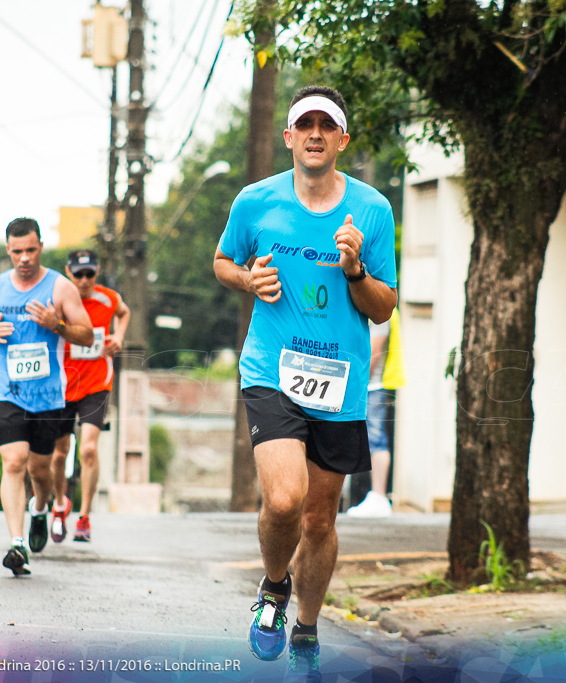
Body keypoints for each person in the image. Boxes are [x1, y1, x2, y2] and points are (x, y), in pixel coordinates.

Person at [213, 86, 397, 681]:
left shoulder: (372, 211)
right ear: (288, 137)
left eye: (327, 125)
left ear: (343, 140)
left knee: (320, 519)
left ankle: (308, 627)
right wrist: (249, 281)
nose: (315, 133)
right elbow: (223, 262)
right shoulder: (255, 201)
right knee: (284, 499)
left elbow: (384, 306)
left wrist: (354, 269)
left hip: (340, 383)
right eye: (304, 124)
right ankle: (272, 590)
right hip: (271, 370)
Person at [0, 218, 92, 576]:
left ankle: (40, 508)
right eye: (17, 251)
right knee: (13, 462)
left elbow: (86, 336)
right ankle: (17, 543)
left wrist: (58, 325)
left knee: (40, 468)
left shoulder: (61, 287)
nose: (24, 258)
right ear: (8, 250)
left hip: (49, 396)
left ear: (40, 248)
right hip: (6, 389)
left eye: (31, 250)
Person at [50, 249, 130, 544]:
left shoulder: (108, 298)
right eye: (78, 274)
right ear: (69, 273)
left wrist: (118, 337)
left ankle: (84, 517)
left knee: (88, 450)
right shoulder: (60, 300)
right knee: (59, 452)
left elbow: (124, 313)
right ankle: (60, 504)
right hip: (62, 384)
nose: (84, 280)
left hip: (97, 383)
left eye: (89, 274)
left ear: (96, 273)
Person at [346, 314, 404, 518]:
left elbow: (375, 350)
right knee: (372, 438)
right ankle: (377, 496)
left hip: (374, 385)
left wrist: (358, 386)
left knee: (376, 438)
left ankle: (379, 496)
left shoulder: (380, 309)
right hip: (372, 385)